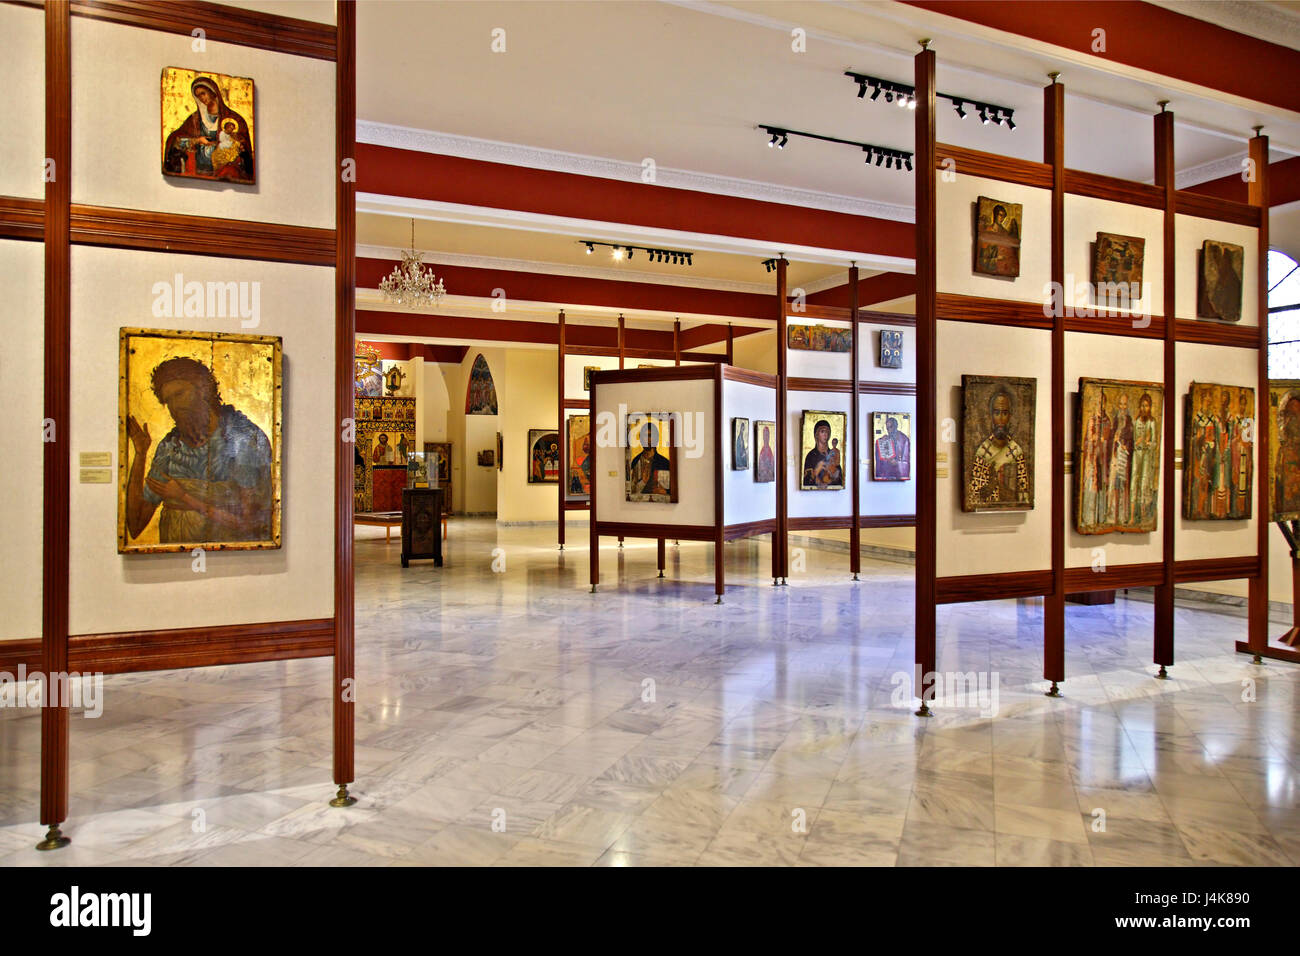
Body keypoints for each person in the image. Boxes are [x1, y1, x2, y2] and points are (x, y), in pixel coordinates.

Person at [125, 356, 272, 544]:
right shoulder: (170, 447)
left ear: (203, 389)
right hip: (174, 562)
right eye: (168, 401)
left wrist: (186, 498)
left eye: (179, 394)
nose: (174, 407)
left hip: (230, 560)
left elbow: (251, 524)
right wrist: (140, 454)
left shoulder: (243, 438)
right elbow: (136, 526)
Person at [162, 76, 254, 182]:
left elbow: (244, 146)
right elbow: (175, 140)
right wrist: (197, 140)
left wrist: (237, 143)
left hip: (224, 170)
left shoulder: (233, 118)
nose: (201, 98)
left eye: (203, 93)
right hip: (199, 170)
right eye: (198, 96)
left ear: (212, 92)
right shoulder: (194, 119)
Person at [968, 388, 1029, 507]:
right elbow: (974, 496)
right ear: (991, 416)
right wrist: (990, 486)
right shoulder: (982, 452)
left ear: (1010, 416)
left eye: (1004, 413)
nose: (1000, 419)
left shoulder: (1016, 451)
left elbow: (1023, 493)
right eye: (997, 413)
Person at [1130, 392, 1159, 525]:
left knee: (1143, 482)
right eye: (1142, 406)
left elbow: (1154, 442)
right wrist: (1138, 442)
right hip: (1138, 454)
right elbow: (1134, 440)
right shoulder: (1136, 421)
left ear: (1149, 407)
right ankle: (1131, 516)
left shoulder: (1152, 422)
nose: (1144, 408)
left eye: (1146, 406)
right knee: (1134, 480)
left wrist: (1148, 443)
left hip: (1147, 455)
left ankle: (1141, 515)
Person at [1108, 393, 1135, 526]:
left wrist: (1125, 444)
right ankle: (1113, 515)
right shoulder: (1115, 419)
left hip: (1125, 457)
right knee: (1115, 485)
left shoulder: (1129, 420)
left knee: (1124, 485)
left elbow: (1131, 439)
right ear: (1118, 405)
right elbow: (1111, 436)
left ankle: (1123, 515)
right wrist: (1115, 440)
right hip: (1115, 456)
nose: (1123, 407)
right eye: (1121, 404)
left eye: (1125, 404)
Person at [628, 420, 672, 498]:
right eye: (643, 436)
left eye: (649, 436)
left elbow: (672, 488)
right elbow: (631, 489)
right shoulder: (635, 462)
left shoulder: (665, 463)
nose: (646, 439)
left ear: (656, 439)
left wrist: (665, 491)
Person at [1230, 390, 1253, 518]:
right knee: (1237, 480)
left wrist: (1246, 443)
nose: (1243, 407)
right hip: (1237, 453)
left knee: (1244, 482)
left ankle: (1243, 508)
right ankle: (1236, 507)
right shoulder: (1235, 420)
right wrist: (1238, 440)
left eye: (1245, 404)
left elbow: (1250, 441)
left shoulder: (1249, 421)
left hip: (1245, 454)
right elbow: (1232, 439)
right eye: (1241, 404)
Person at [803, 419, 844, 489]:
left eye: (827, 432)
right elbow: (806, 481)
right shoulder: (811, 455)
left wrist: (832, 475)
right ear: (816, 434)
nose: (825, 435)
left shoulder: (832, 454)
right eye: (822, 432)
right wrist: (816, 472)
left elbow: (840, 479)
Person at [874, 415, 910, 479]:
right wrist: (880, 444)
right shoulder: (886, 439)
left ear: (896, 426)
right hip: (888, 473)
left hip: (898, 473)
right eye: (887, 428)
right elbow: (881, 461)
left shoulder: (904, 440)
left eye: (891, 427)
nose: (889, 430)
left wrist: (897, 463)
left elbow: (907, 461)